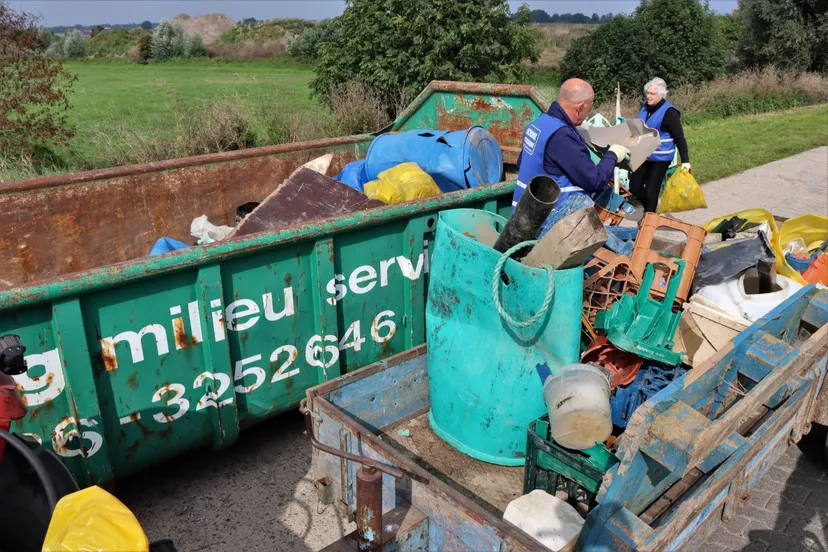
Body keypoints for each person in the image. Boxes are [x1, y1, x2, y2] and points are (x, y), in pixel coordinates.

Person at [514, 78, 631, 231]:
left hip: (525, 214)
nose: (586, 115)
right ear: (580, 107)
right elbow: (594, 181)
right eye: (588, 110)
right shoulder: (562, 136)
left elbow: (521, 163)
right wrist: (613, 155)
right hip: (550, 224)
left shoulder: (539, 124)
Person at [631, 77, 691, 213]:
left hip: (660, 157)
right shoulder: (645, 108)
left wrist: (685, 161)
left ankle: (649, 218)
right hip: (643, 155)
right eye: (647, 93)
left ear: (661, 95)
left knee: (652, 190)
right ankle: (650, 211)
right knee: (634, 186)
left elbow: (679, 137)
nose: (648, 96)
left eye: (652, 94)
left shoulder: (669, 112)